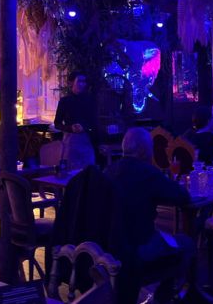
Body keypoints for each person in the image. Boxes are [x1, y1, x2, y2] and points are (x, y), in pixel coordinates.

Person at [105, 128, 193, 304]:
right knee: (186, 243)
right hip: (139, 247)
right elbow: (182, 197)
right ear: (144, 151)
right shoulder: (148, 173)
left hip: (109, 247)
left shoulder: (108, 171)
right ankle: (164, 297)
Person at [54, 71, 97, 169]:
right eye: (79, 81)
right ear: (71, 83)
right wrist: (70, 128)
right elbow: (57, 123)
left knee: (88, 169)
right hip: (70, 141)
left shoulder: (90, 100)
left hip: (86, 140)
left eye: (84, 81)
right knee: (70, 170)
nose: (82, 84)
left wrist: (84, 127)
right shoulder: (64, 101)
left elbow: (94, 122)